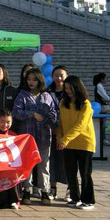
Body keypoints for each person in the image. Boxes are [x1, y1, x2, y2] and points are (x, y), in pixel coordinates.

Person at [13, 67, 58, 205]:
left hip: (44, 136)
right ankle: (26, 190)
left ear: (40, 81)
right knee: (28, 164)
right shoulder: (22, 95)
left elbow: (54, 114)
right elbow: (16, 112)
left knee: (44, 164)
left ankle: (44, 190)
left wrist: (45, 118)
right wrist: (31, 114)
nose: (31, 82)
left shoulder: (47, 96)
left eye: (34, 80)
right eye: (29, 79)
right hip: (27, 136)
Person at [57, 76, 96, 209]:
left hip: (84, 143)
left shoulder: (85, 104)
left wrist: (65, 139)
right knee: (70, 173)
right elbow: (61, 123)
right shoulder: (63, 102)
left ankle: (88, 200)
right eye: (66, 88)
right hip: (68, 144)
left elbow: (80, 125)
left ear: (78, 88)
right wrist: (60, 137)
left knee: (85, 173)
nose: (68, 91)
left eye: (70, 88)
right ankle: (75, 198)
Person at [47, 66, 69, 200]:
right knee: (52, 160)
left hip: (68, 133)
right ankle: (52, 188)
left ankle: (70, 189)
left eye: (61, 75)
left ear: (67, 76)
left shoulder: (71, 93)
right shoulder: (48, 92)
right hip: (52, 131)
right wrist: (51, 125)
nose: (59, 78)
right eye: (56, 75)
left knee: (69, 161)